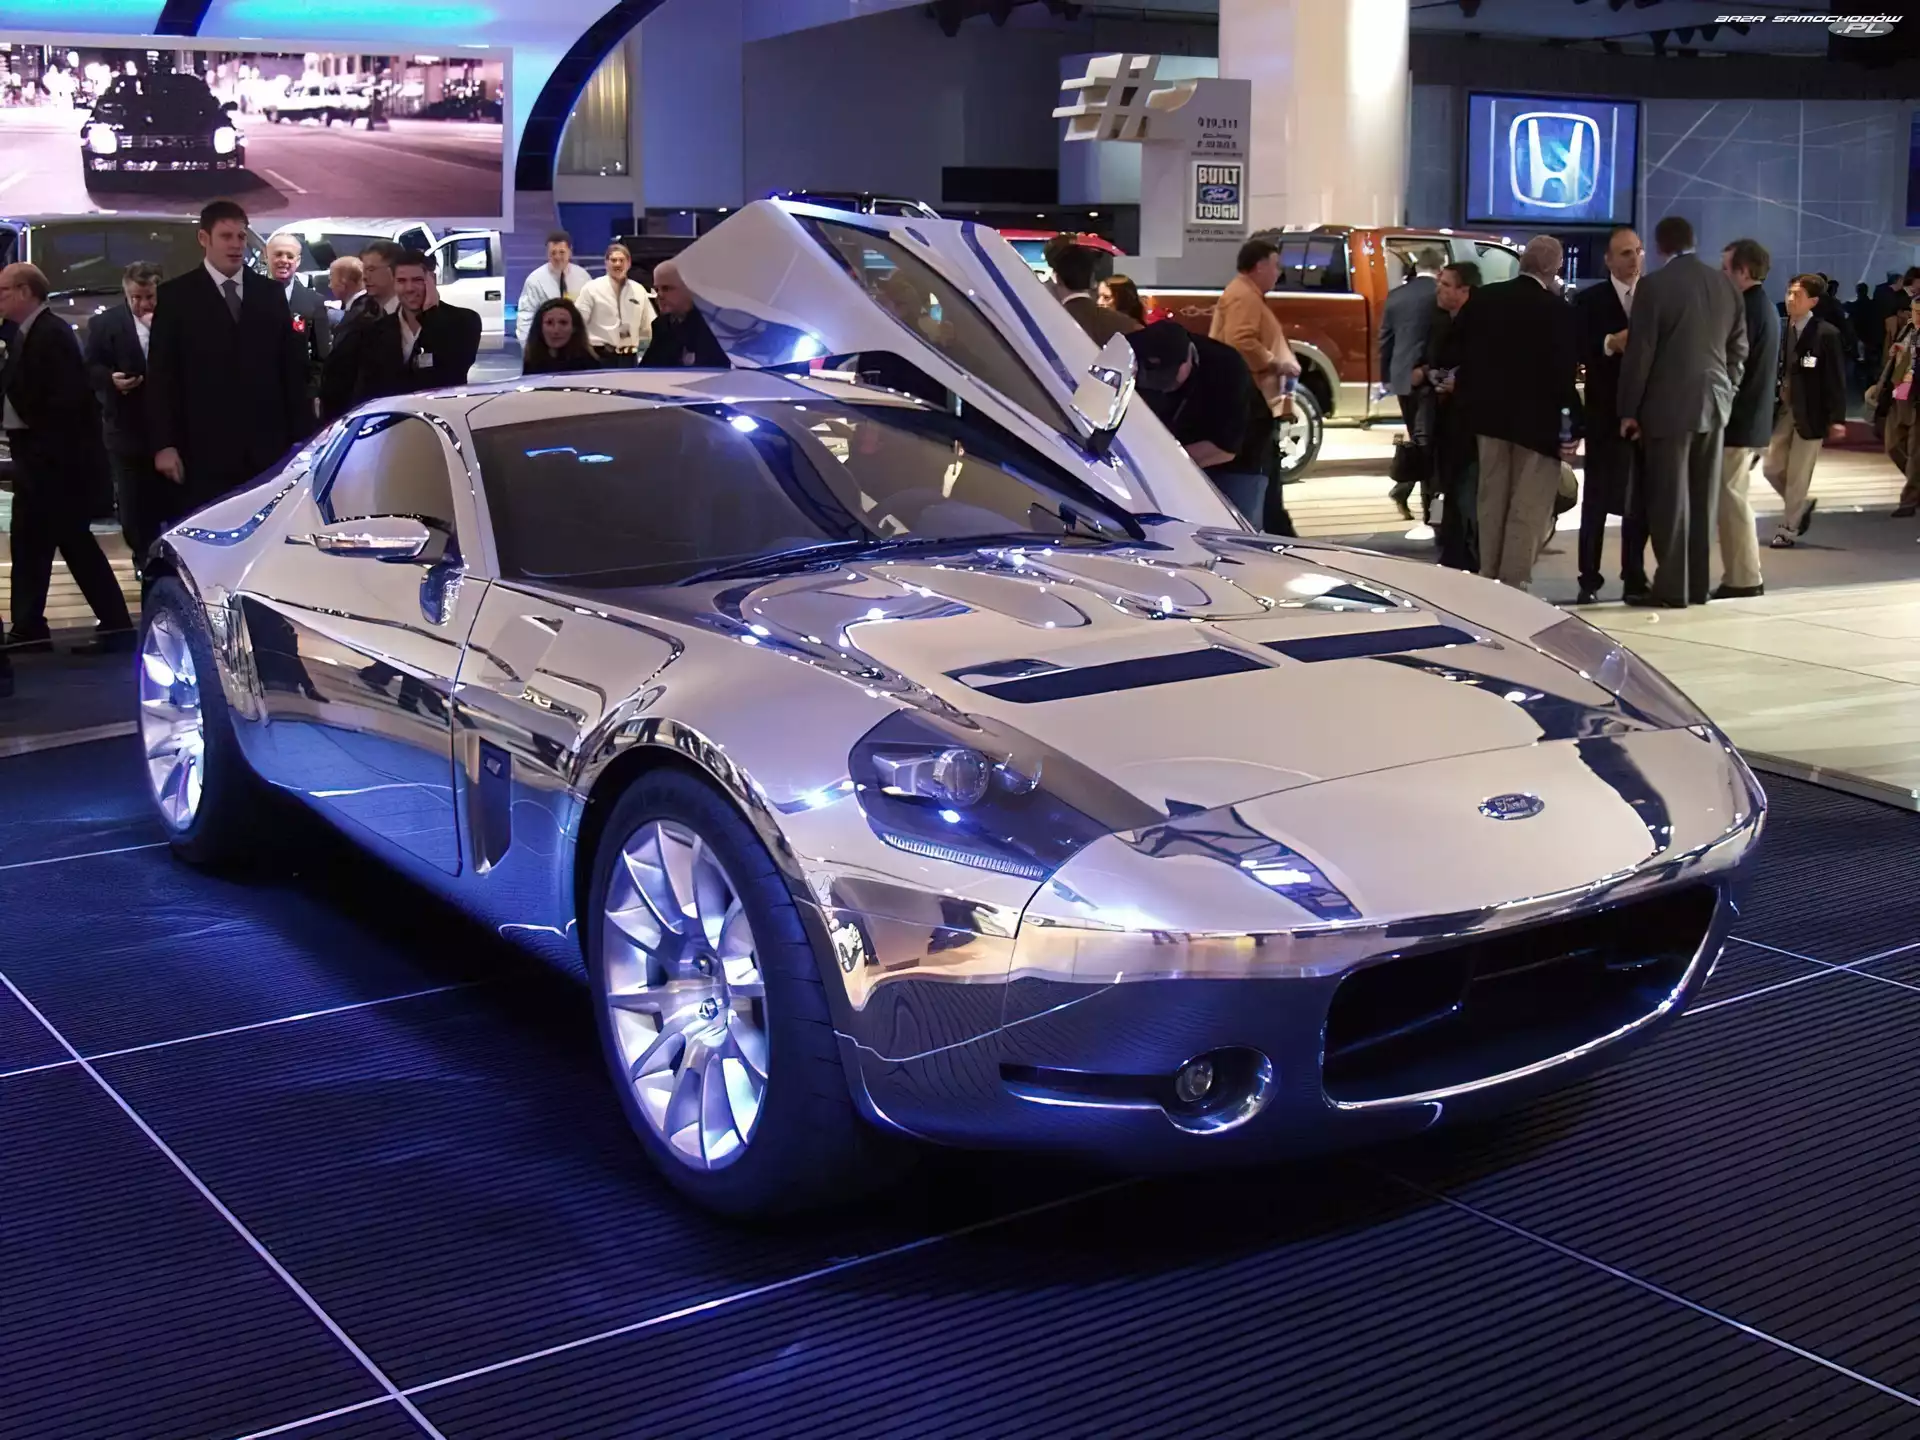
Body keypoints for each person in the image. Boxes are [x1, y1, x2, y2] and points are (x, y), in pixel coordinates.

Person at [0, 262, 135, 656]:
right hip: (40, 460)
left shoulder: (50, 334)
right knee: (37, 542)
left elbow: (63, 403)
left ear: (25, 292)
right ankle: (31, 627)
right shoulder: (27, 332)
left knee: (67, 543)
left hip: (53, 464)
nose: (0, 298)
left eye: (4, 291)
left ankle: (112, 626)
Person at [1616, 215, 1748, 608]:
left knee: (1669, 502)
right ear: (1693, 241)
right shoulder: (1725, 285)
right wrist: (1727, 390)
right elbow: (1739, 349)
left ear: (1660, 246)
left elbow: (1641, 353)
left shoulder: (1654, 286)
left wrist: (1629, 409)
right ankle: (1697, 585)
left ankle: (1673, 588)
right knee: (1704, 500)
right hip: (1714, 405)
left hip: (1666, 409)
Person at [146, 199, 309, 509]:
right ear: (204, 238)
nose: (236, 245)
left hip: (267, 446)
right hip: (203, 447)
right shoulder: (177, 296)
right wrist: (164, 445)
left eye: (241, 236)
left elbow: (291, 369)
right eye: (226, 236)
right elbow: (162, 375)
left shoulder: (269, 293)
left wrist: (302, 439)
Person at [1451, 235, 1581, 590]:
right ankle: (1514, 581)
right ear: (1553, 267)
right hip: (1537, 427)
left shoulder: (1484, 299)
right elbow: (1562, 376)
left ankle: (1488, 575)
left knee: (1491, 499)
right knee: (1528, 505)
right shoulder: (1558, 311)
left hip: (1488, 420)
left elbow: (1457, 350)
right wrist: (1573, 425)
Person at [1127, 318, 1273, 527]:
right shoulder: (1131, 350)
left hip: (1238, 456)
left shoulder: (1226, 367)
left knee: (1236, 530)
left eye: (1170, 380)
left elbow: (1224, 449)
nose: (1164, 388)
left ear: (1188, 359)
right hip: (1175, 450)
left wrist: (1160, 464)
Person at [1572, 226, 1651, 605]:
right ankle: (1588, 575)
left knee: (1641, 499)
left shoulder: (1653, 297)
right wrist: (1609, 343)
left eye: (1638, 251)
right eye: (1625, 253)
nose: (1634, 259)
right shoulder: (1590, 301)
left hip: (1646, 415)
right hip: (1604, 413)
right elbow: (1577, 347)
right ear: (1608, 260)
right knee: (1597, 500)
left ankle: (1634, 574)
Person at [83, 260, 175, 572]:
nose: (143, 304)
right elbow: (90, 368)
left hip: (172, 430)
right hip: (126, 428)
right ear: (126, 294)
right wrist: (111, 380)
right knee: (134, 507)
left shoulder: (176, 321)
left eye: (149, 297)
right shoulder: (105, 324)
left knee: (171, 502)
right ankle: (142, 560)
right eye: (136, 297)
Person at [1715, 238, 1781, 598]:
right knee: (1732, 497)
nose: (1721, 275)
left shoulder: (1746, 309)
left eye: (1725, 268)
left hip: (1739, 421)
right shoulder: (1764, 306)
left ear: (1742, 271)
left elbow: (1733, 369)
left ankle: (1743, 578)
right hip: (1750, 419)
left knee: (1731, 500)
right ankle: (1742, 575)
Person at [1763, 273, 1848, 549]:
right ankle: (1801, 506)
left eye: (1797, 295)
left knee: (1798, 475)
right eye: (1789, 293)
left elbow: (1836, 379)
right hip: (1784, 410)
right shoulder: (1781, 329)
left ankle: (1788, 529)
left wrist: (1837, 419)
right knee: (1771, 468)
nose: (1790, 299)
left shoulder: (1825, 334)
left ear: (1813, 301)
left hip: (1813, 414)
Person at [351, 249, 482, 402]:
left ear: (431, 280)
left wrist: (430, 315)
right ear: (393, 283)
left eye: (417, 280)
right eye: (402, 281)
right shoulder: (375, 331)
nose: (409, 289)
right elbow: (368, 389)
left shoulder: (464, 321)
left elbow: (452, 372)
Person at [1379, 246, 1443, 522]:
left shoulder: (1396, 295)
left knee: (1420, 441)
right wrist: (1427, 369)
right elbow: (1437, 339)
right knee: (1429, 445)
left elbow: (1385, 340)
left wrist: (1388, 378)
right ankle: (1433, 513)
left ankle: (1404, 490)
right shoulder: (1438, 296)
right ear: (1440, 269)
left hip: (1402, 379)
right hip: (1428, 379)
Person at [1427, 260, 1481, 572]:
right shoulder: (1442, 320)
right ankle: (1452, 553)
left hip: (1466, 426)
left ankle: (1464, 557)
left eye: (1447, 284)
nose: (1440, 289)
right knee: (1449, 489)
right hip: (1446, 422)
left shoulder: (1475, 326)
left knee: (1464, 494)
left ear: (1465, 291)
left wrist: (1457, 383)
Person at [320, 239, 401, 422]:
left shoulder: (408, 316)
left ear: (394, 270)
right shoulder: (362, 315)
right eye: (364, 270)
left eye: (372, 270)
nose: (365, 277)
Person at [1210, 238, 1298, 404]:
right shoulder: (1245, 296)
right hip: (1251, 390)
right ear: (1260, 267)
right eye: (1275, 266)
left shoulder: (1247, 292)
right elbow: (1241, 340)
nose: (1278, 273)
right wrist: (1275, 362)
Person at [264, 230, 332, 414]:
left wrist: (311, 392)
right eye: (278, 254)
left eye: (290, 256)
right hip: (258, 397)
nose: (283, 260)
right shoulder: (249, 297)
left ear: (298, 261)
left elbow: (321, 356)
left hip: (299, 400)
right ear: (266, 257)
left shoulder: (314, 302)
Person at [1869, 290, 1920, 518]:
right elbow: (1892, 362)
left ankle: (1909, 500)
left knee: (1916, 453)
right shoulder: (1907, 330)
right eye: (1914, 311)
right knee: (1893, 445)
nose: (1915, 316)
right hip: (1897, 395)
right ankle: (1915, 488)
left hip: (1916, 398)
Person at [574, 242, 655, 366]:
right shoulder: (591, 288)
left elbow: (648, 326)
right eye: (613, 260)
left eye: (621, 260)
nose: (617, 264)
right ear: (606, 263)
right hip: (600, 355)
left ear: (629, 263)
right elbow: (578, 323)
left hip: (629, 357)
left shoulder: (638, 290)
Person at [640, 261, 728, 368]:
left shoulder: (712, 325)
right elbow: (648, 367)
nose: (660, 295)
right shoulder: (661, 325)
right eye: (657, 289)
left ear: (690, 289)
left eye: (667, 288)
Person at [515, 230, 591, 347]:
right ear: (547, 253)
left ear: (570, 251)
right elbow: (526, 316)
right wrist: (528, 347)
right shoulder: (535, 280)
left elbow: (591, 312)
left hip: (577, 343)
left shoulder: (583, 277)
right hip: (546, 344)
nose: (557, 257)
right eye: (553, 253)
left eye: (562, 252)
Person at [1055, 243, 1136, 343]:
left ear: (1057, 279)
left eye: (1106, 297)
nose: (1100, 302)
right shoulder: (1126, 324)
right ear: (1092, 279)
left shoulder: (1047, 322)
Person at [521, 297, 598, 374]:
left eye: (563, 323)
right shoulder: (525, 366)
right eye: (549, 323)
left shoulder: (590, 366)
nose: (556, 330)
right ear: (539, 328)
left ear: (574, 328)